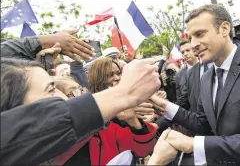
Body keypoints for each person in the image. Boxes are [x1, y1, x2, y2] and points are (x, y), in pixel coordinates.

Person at [149, 4, 240, 166]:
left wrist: (193, 145)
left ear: (224, 29)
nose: (193, 44)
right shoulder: (205, 78)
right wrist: (165, 105)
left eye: (199, 34)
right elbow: (203, 123)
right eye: (190, 37)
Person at [1, 56, 161, 165]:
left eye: (119, 73)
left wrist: (133, 121)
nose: (62, 96)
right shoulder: (82, 127)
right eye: (51, 90)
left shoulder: (103, 120)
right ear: (17, 115)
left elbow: (144, 149)